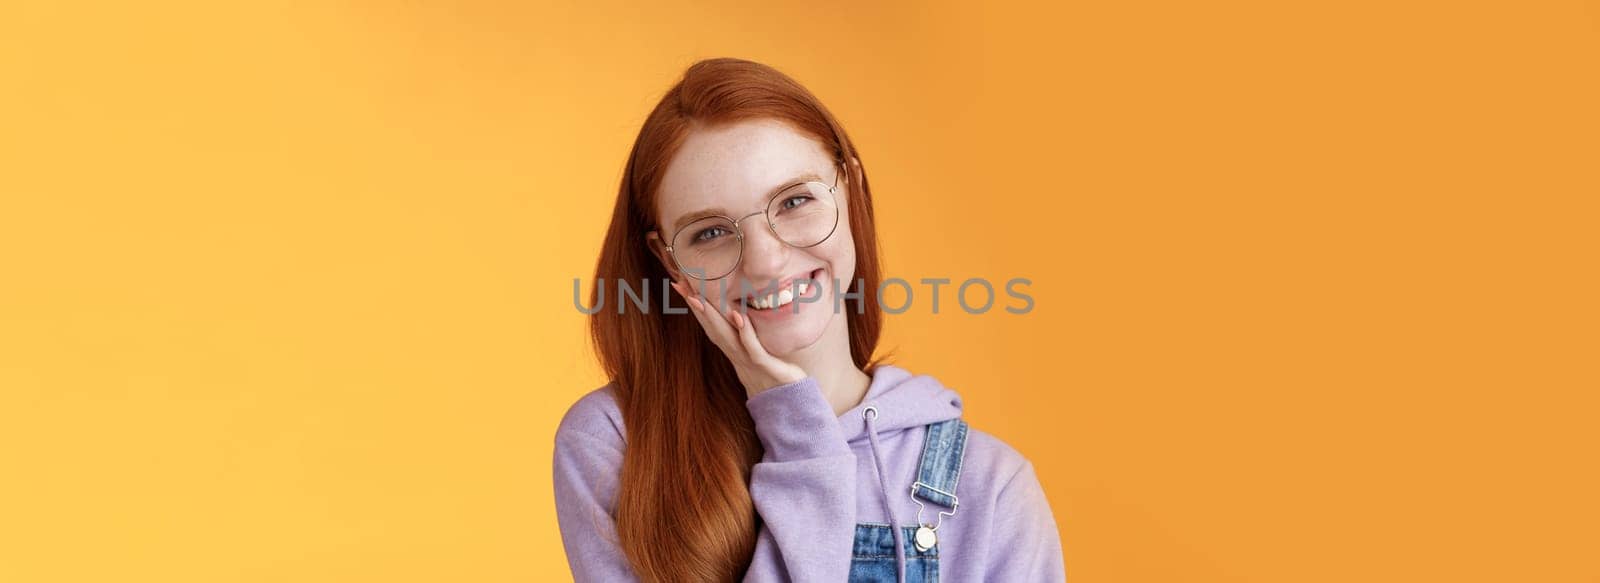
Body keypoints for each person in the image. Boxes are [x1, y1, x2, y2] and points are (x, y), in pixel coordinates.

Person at [554, 57, 1066, 582]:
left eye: (794, 201)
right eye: (709, 232)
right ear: (668, 260)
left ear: (852, 190)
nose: (765, 261)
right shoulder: (617, 443)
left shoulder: (990, 488)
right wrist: (799, 437)